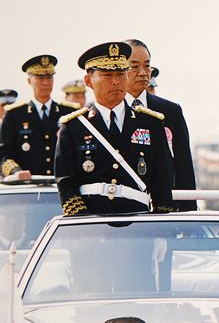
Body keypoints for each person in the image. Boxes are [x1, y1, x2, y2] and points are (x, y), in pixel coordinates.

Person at [54, 41, 175, 215]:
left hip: (138, 220)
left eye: (120, 74)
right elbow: (66, 182)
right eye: (107, 75)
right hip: (91, 223)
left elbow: (162, 181)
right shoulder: (74, 126)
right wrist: (83, 223)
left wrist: (159, 223)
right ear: (88, 81)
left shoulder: (150, 123)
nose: (116, 82)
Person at [123, 39, 197, 211]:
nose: (142, 72)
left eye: (146, 65)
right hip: (125, 210)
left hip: (164, 208)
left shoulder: (170, 111)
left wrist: (188, 215)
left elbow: (183, 166)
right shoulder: (111, 112)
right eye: (134, 66)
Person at [0, 55, 79, 180]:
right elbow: (3, 153)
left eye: (49, 77)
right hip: (27, 186)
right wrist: (16, 171)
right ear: (29, 81)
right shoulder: (14, 115)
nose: (46, 83)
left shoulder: (69, 112)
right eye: (40, 78)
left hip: (63, 185)